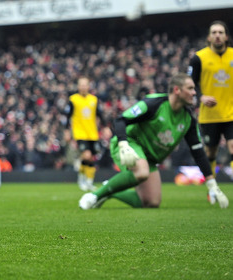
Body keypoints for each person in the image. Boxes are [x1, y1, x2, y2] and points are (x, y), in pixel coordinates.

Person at [79, 73, 229, 209]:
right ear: (177, 90)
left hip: (149, 158)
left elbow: (198, 152)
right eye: (190, 88)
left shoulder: (188, 119)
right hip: (130, 143)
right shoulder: (154, 104)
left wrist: (211, 184)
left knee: (151, 202)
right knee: (142, 171)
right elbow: (120, 120)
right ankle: (94, 196)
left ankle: (110, 189)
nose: (194, 93)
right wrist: (123, 143)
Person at [187, 20, 233, 178]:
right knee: (211, 152)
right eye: (214, 33)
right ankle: (212, 187)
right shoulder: (198, 58)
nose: (217, 36)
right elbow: (189, 83)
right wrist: (201, 96)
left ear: (226, 36)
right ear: (209, 37)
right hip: (209, 115)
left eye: (220, 32)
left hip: (231, 113)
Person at [65, 76, 111, 191]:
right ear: (78, 86)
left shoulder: (93, 100)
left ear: (88, 86)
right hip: (80, 133)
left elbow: (99, 114)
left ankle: (88, 182)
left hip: (92, 133)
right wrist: (66, 131)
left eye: (85, 85)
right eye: (81, 85)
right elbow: (68, 116)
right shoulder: (73, 99)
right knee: (87, 155)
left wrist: (105, 127)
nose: (83, 87)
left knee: (90, 159)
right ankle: (82, 180)